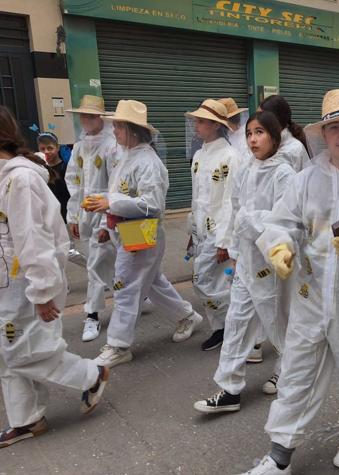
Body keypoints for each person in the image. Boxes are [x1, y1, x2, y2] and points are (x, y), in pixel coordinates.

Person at [236, 87, 339, 475]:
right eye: (335, 127)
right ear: (323, 133)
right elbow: (281, 221)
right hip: (311, 292)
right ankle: (279, 454)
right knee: (297, 371)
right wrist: (280, 247)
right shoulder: (307, 179)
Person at [0, 106, 109, 448]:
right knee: (9, 351)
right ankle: (27, 419)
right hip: (9, 281)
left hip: (25, 282)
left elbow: (35, 239)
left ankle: (91, 375)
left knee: (20, 351)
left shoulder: (20, 179)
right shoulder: (6, 176)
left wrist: (43, 291)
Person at [85, 100, 203, 368]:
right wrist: (105, 218)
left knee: (125, 287)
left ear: (132, 129)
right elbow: (118, 194)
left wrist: (110, 204)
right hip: (128, 231)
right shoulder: (126, 155)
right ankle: (186, 315)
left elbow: (152, 204)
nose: (113, 131)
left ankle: (118, 344)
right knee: (150, 282)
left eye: (117, 126)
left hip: (142, 232)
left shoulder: (148, 162)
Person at [193, 111, 295, 415]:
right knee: (237, 323)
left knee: (278, 322)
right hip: (246, 264)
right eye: (250, 133)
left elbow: (286, 219)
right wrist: (234, 251)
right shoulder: (246, 169)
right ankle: (230, 388)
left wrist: (252, 224)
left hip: (272, 265)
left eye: (260, 132)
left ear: (275, 136)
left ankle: (290, 371)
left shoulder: (283, 174)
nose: (253, 139)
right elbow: (234, 210)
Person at [185, 99, 241, 352]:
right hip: (200, 230)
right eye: (196, 120)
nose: (196, 125)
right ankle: (222, 327)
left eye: (200, 121)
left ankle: (236, 321)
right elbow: (197, 197)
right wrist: (191, 230)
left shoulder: (230, 156)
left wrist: (224, 240)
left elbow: (231, 200)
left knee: (203, 280)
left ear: (215, 125)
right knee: (213, 282)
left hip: (218, 231)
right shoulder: (198, 156)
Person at [64, 95, 118, 342]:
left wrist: (109, 218)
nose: (86, 119)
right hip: (86, 216)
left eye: (91, 115)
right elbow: (73, 182)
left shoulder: (112, 145)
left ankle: (92, 314)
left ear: (100, 118)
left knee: (95, 265)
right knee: (110, 262)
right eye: (83, 115)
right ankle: (136, 292)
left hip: (106, 216)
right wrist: (73, 216)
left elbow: (117, 186)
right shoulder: (79, 147)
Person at [259, 95, 310, 171]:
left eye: (261, 119)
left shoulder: (294, 149)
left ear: (276, 121)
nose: (257, 122)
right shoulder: (267, 145)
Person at [37, 131, 70, 222]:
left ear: (58, 147)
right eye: (42, 149)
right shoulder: (39, 169)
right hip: (47, 217)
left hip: (65, 215)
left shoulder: (66, 167)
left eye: (50, 148)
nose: (46, 152)